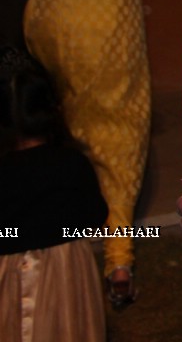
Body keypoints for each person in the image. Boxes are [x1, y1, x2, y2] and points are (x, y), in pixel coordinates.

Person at [12, 0, 151, 308]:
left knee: (65, 134)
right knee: (120, 139)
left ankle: (56, 241)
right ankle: (118, 259)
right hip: (117, 34)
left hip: (59, 34)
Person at [0, 45, 108, 342]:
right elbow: (95, 215)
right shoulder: (71, 162)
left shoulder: (5, 169)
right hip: (67, 266)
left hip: (9, 271)